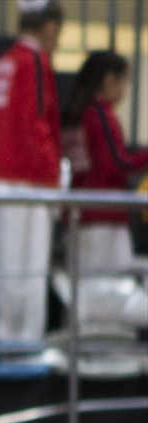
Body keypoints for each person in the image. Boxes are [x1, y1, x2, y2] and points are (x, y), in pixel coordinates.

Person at [0, 0, 65, 345]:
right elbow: (37, 125)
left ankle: (1, 340)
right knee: (26, 270)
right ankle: (22, 346)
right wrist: (54, 179)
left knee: (0, 269)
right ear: (48, 27)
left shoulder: (2, 64)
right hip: (27, 183)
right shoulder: (34, 62)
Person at [61, 51, 148, 338]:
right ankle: (102, 354)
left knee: (90, 292)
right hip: (103, 219)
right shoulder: (99, 113)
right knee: (107, 296)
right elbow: (118, 163)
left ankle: (95, 351)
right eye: (123, 83)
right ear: (109, 80)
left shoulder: (75, 114)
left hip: (78, 218)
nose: (124, 92)